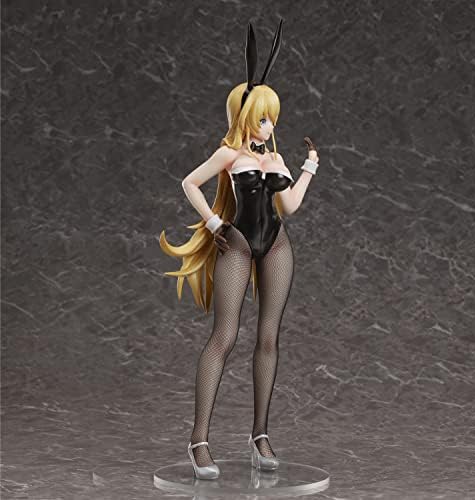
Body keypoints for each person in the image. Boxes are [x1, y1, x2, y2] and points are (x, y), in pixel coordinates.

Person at [159, 19, 320, 480]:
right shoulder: (230, 155)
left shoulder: (276, 158)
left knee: (269, 338)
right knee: (224, 337)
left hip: (277, 244)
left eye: (273, 119)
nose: (270, 126)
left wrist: (308, 168)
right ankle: (199, 440)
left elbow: (289, 205)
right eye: (263, 118)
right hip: (238, 243)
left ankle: (259, 435)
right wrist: (214, 224)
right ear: (244, 115)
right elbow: (189, 183)